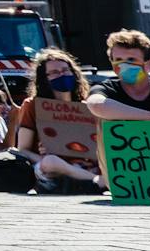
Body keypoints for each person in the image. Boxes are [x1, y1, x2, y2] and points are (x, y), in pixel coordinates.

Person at [8, 47, 106, 194]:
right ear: (45, 79)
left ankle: (90, 180)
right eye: (54, 72)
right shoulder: (32, 105)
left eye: (65, 70)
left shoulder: (87, 106)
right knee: (50, 163)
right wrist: (42, 156)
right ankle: (98, 182)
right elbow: (23, 150)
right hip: (53, 167)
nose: (62, 75)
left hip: (87, 165)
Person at [88, 28, 150, 124]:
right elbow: (97, 105)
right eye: (118, 59)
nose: (123, 64)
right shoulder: (107, 89)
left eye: (131, 59)